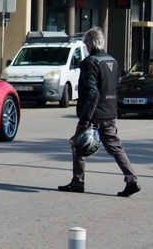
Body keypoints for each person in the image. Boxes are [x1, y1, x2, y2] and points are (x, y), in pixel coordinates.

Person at [59, 27, 141, 196]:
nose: (86, 48)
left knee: (79, 146)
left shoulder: (90, 63)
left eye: (85, 45)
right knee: (116, 148)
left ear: (90, 44)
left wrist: (85, 119)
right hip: (110, 113)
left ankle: (77, 182)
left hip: (94, 114)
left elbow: (92, 93)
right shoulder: (113, 61)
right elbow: (116, 86)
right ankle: (131, 179)